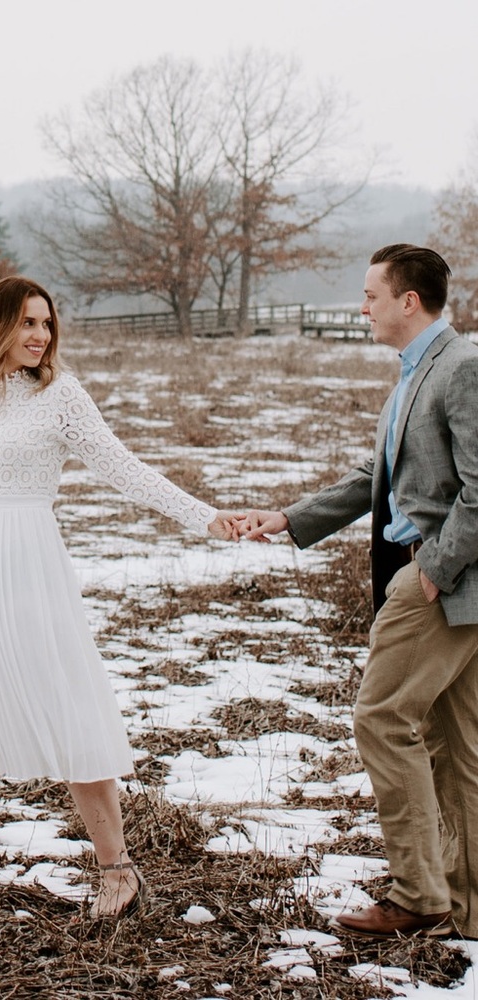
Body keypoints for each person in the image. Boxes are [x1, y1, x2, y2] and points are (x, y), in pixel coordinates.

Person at [0, 275, 238, 920]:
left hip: (30, 564)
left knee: (66, 703)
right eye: (27, 323)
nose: (40, 336)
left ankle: (118, 870)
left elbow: (122, 468)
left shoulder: (61, 396)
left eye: (47, 325)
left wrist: (202, 516)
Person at [242, 244, 478, 939]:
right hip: (447, 582)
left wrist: (434, 569)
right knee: (457, 744)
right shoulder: (416, 372)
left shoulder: (462, 368)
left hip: (441, 581)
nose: (362, 306)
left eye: (372, 294)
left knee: (381, 719)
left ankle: (419, 894)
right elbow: (370, 478)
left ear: (411, 301)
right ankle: (467, 908)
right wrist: (289, 518)